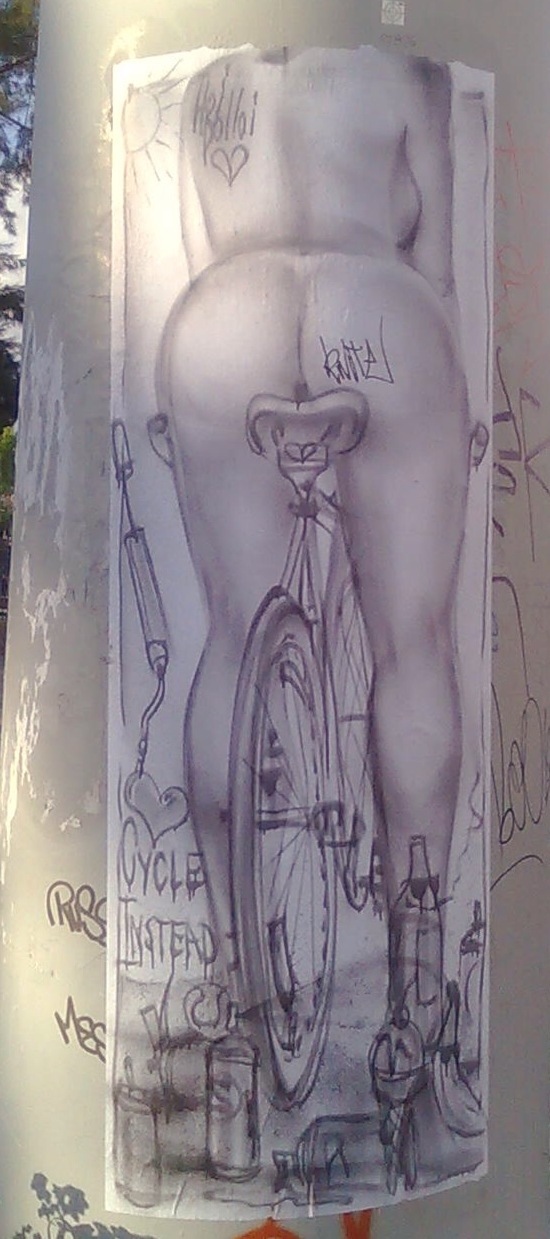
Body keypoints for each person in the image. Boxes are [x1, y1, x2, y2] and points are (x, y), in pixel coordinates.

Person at [156, 46, 475, 1037]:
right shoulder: (413, 74)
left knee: (230, 637)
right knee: (411, 645)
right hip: (381, 312)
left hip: (225, 314)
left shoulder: (210, 89)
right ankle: (418, 984)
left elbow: (201, 247)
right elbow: (436, 266)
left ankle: (230, 967)